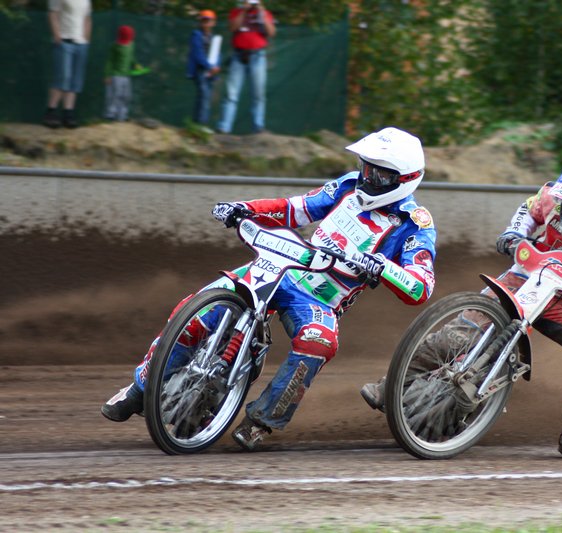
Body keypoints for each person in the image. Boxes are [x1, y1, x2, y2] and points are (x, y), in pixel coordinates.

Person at [101, 127, 437, 452]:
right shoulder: (348, 186)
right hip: (284, 264)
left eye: (379, 174)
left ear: (404, 180)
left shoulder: (415, 223)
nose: (367, 177)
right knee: (196, 309)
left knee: (319, 342)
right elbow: (295, 208)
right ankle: (140, 388)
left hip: (322, 298)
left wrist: (383, 266)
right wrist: (245, 208)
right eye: (366, 167)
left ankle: (262, 421)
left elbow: (421, 286)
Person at [361, 155, 562, 459]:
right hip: (521, 280)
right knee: (460, 333)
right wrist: (514, 233)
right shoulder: (550, 196)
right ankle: (389, 387)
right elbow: (527, 211)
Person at [216, 0, 276, 134]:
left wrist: (261, 12)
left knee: (258, 95)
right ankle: (224, 127)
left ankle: (258, 127)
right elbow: (232, 28)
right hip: (238, 56)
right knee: (231, 94)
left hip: (258, 56)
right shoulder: (237, 12)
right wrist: (244, 10)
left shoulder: (265, 13)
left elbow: (271, 32)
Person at [44, 0, 93, 129]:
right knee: (63, 77)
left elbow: (87, 18)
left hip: (81, 44)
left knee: (76, 79)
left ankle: (68, 113)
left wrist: (86, 39)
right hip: (64, 41)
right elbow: (53, 14)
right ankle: (51, 112)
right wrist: (57, 36)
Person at [186, 10, 221, 130]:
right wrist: (209, 67)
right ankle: (200, 124)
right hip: (200, 71)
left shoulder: (214, 38)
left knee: (206, 97)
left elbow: (217, 54)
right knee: (204, 95)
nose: (206, 23)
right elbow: (198, 54)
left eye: (208, 20)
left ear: (213, 22)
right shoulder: (196, 35)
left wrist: (216, 67)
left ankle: (197, 123)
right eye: (203, 20)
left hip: (211, 73)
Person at [103, 25, 141, 122]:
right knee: (115, 95)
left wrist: (136, 64)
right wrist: (107, 75)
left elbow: (131, 57)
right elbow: (110, 61)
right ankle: (110, 114)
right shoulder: (115, 46)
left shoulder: (132, 45)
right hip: (116, 75)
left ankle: (122, 116)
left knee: (126, 96)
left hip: (126, 76)